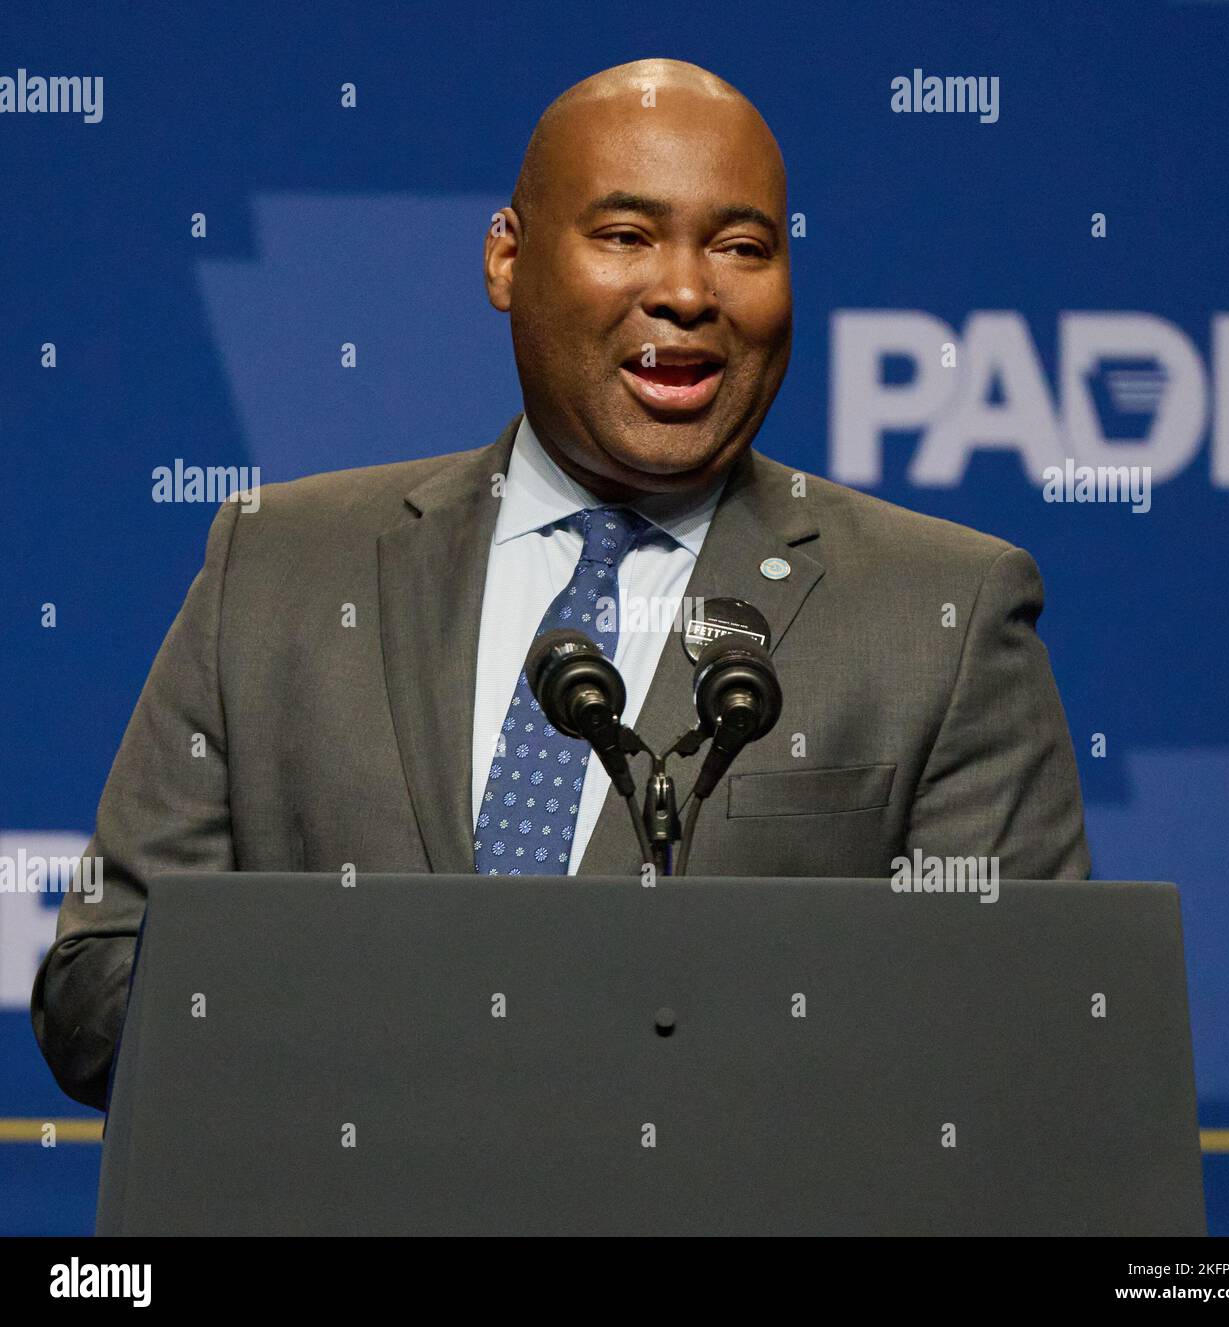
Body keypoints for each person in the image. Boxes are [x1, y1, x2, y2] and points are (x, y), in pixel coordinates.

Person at [32, 58, 1090, 1111]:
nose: (685, 290)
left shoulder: (938, 614)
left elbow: (1019, 1047)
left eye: (742, 248)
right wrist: (411, 1069)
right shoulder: (281, 564)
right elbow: (97, 994)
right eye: (626, 236)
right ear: (506, 259)